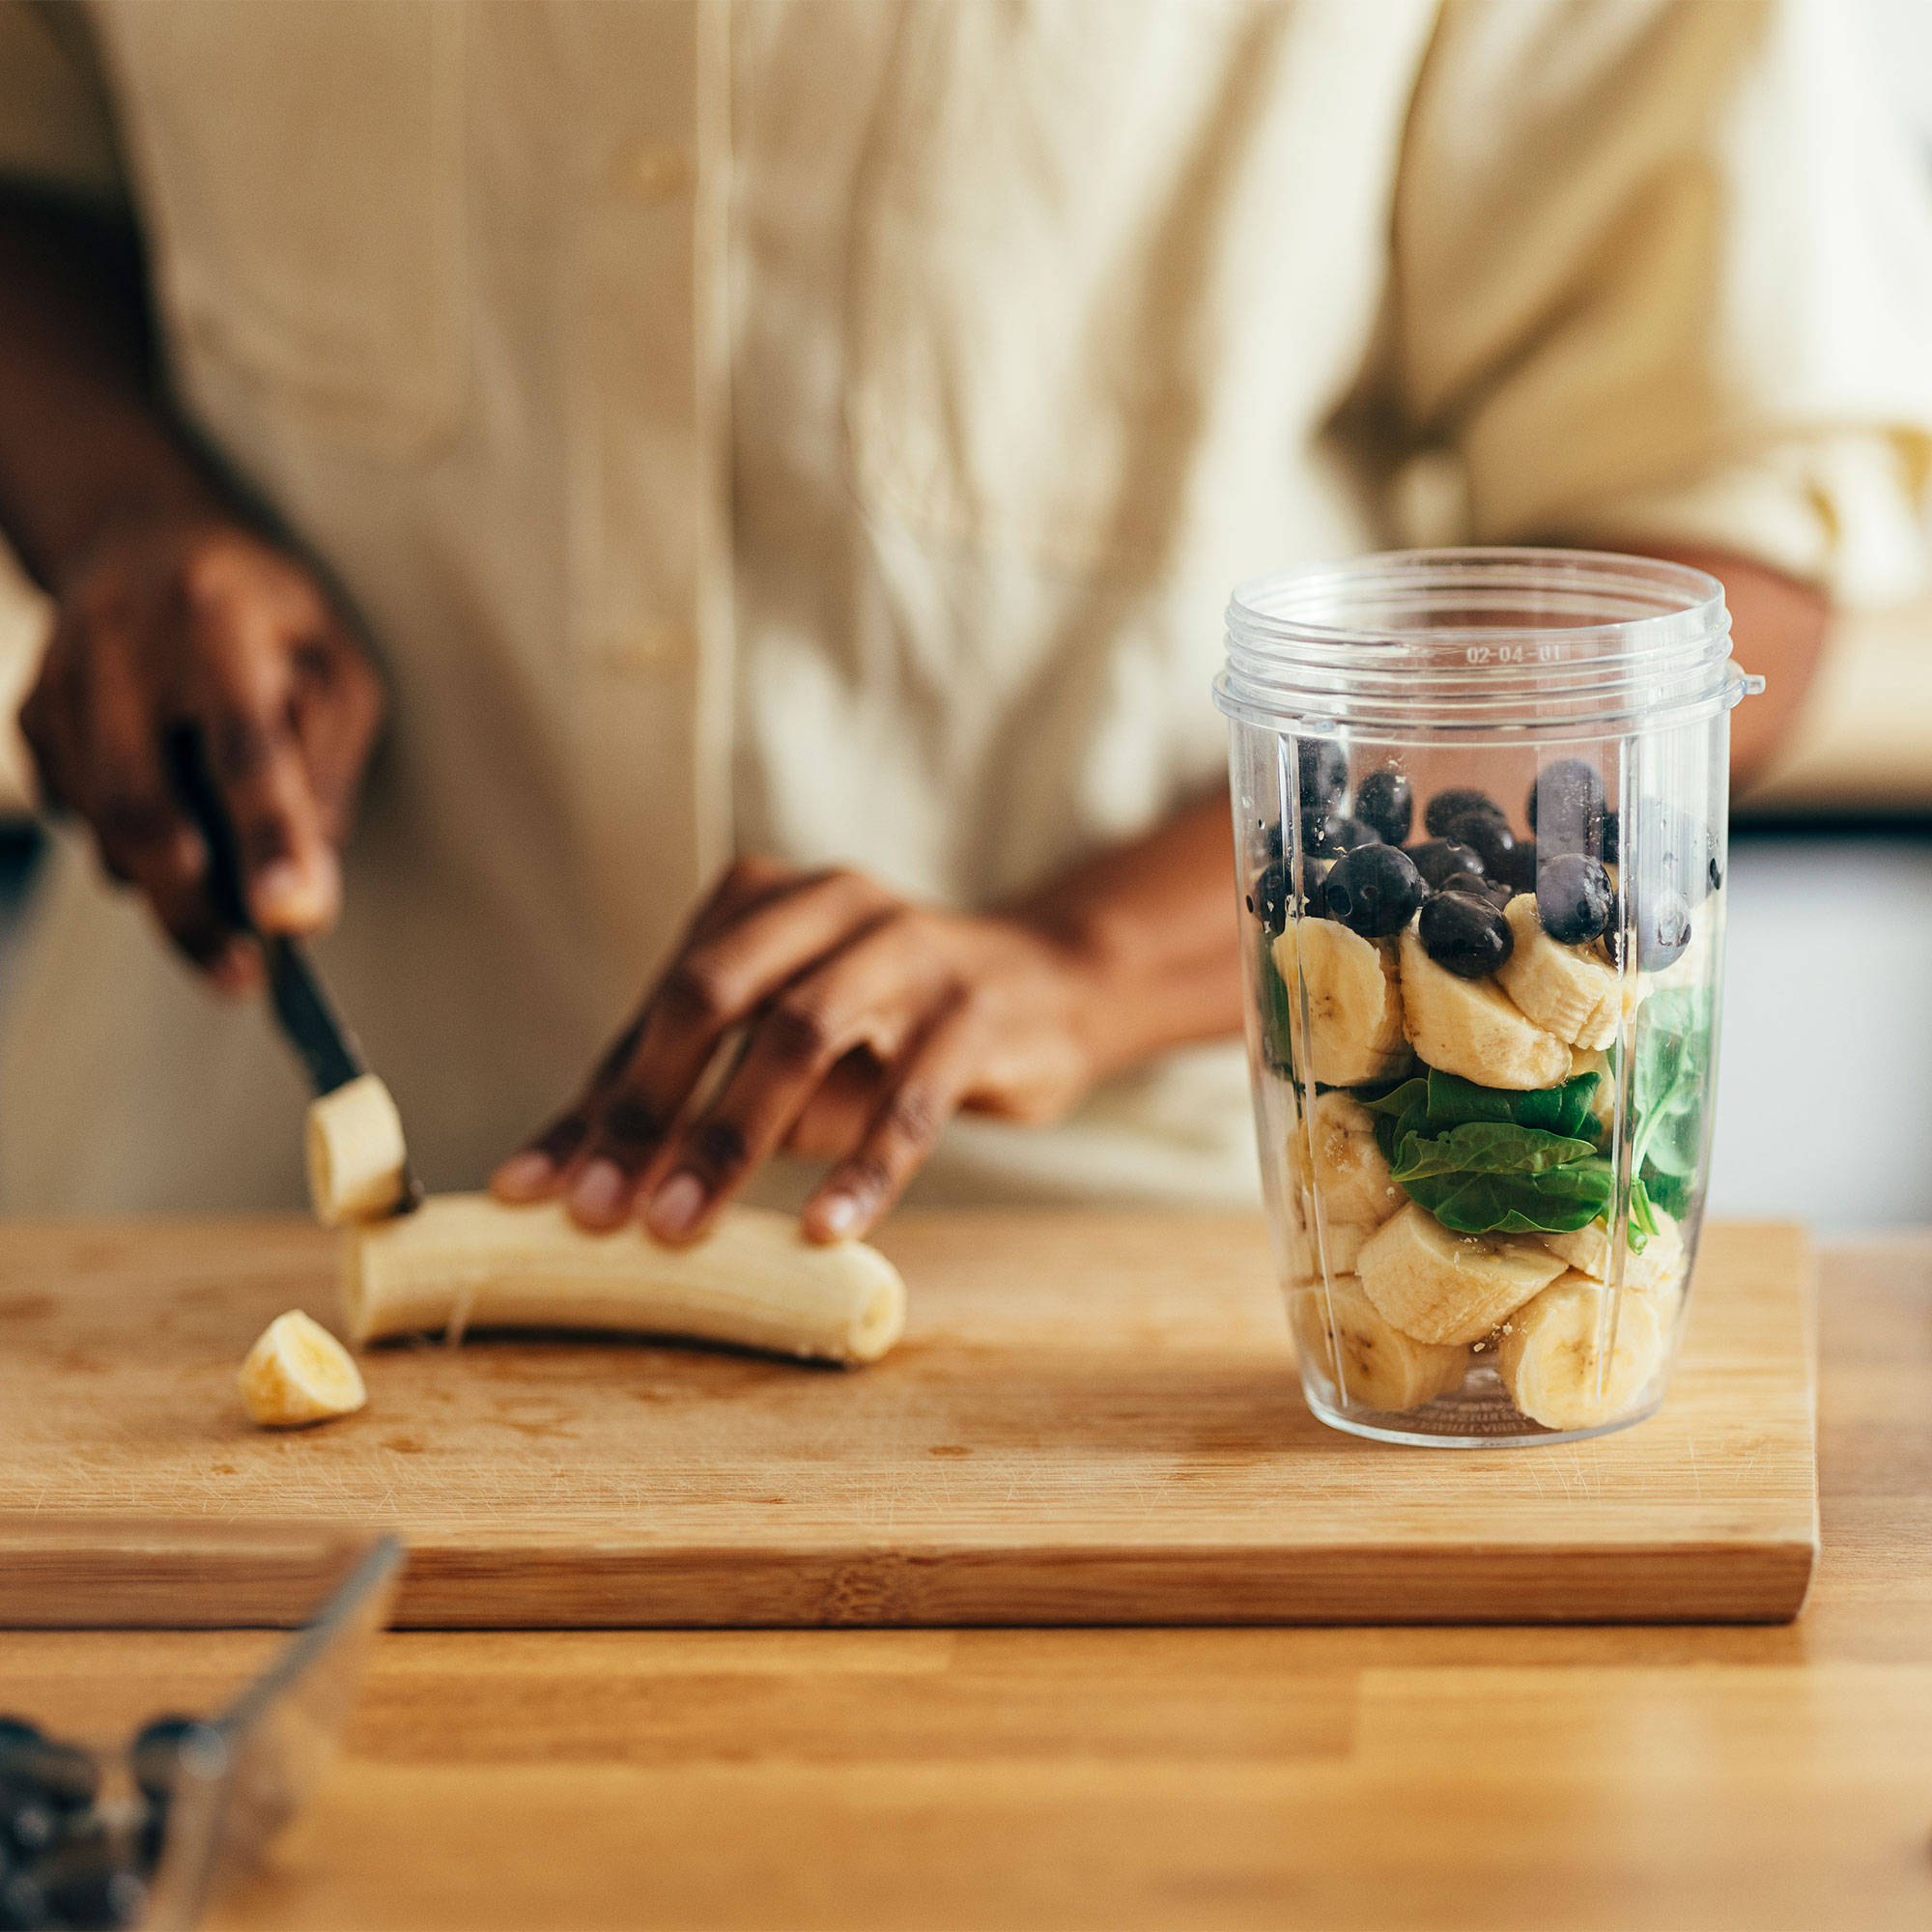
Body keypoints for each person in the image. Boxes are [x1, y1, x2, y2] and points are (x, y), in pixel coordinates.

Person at [0, 0, 1926, 1232]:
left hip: (1140, 1294)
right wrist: (121, 518)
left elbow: (1699, 563)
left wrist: (1080, 958)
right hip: (207, 1230)